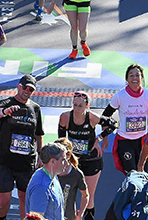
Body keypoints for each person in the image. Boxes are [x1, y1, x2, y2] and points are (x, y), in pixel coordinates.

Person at [0, 74, 45, 220]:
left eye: (31, 90)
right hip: (5, 159)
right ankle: (2, 218)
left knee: (24, 197)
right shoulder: (7, 102)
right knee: (3, 200)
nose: (27, 91)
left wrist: (41, 156)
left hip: (26, 161)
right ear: (19, 86)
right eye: (25, 87)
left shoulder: (35, 108)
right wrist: (4, 112)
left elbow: (38, 134)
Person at [101, 64, 148, 174]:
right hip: (124, 141)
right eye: (131, 75)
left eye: (137, 75)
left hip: (143, 141)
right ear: (127, 79)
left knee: (142, 174)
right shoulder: (120, 96)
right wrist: (105, 137)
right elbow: (105, 116)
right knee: (131, 174)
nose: (134, 78)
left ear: (142, 78)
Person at [58, 92, 107, 220]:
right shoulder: (65, 117)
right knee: (67, 195)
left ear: (87, 106)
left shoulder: (91, 117)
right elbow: (61, 140)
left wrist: (99, 139)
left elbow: (111, 124)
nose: (77, 108)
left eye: (80, 106)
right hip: (73, 160)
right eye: (75, 105)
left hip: (91, 160)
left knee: (88, 196)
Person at [25, 143, 68, 220]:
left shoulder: (52, 176)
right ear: (53, 162)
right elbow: (35, 218)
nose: (66, 164)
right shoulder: (41, 187)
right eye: (63, 160)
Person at [54, 138, 89, 220]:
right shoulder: (50, 171)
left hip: (69, 216)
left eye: (59, 154)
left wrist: (80, 215)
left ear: (68, 154)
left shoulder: (77, 174)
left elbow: (85, 195)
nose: (55, 157)